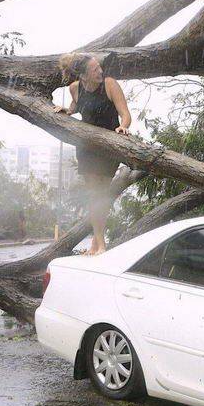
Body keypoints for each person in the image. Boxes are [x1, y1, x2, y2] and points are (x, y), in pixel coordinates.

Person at [54, 53, 132, 256]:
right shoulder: (75, 88)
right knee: (93, 195)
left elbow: (125, 114)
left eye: (99, 67)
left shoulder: (109, 84)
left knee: (101, 194)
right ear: (84, 75)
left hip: (108, 146)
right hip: (87, 147)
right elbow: (75, 106)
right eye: (95, 69)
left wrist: (123, 127)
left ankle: (100, 243)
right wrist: (67, 111)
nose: (100, 71)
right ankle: (96, 244)